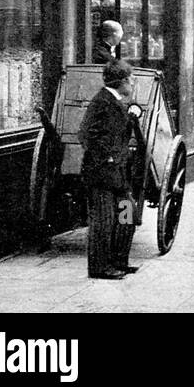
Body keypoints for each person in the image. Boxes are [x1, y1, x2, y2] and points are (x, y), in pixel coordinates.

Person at [79, 59, 138, 279]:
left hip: (117, 175)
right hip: (102, 175)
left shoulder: (114, 101)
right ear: (122, 80)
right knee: (103, 222)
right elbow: (85, 135)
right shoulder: (103, 101)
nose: (132, 82)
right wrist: (108, 158)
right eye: (130, 78)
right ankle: (99, 268)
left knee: (127, 214)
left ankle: (119, 261)